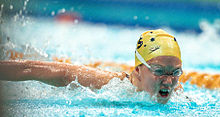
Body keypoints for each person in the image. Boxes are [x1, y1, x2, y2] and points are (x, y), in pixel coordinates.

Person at [0, 29, 182, 104]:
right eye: (158, 71)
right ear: (137, 70)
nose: (169, 81)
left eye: (175, 72)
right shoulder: (111, 85)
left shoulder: (177, 90)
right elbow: (33, 68)